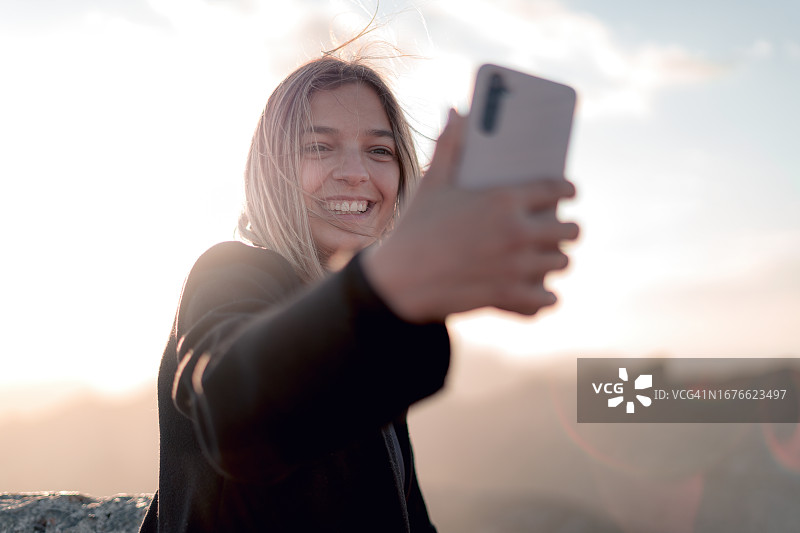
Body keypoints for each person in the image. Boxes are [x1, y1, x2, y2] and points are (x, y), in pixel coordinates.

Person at [139, 53, 578, 532]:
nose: (355, 172)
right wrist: (399, 277)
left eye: (380, 151)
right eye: (319, 148)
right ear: (270, 171)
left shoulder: (367, 341)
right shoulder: (231, 271)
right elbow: (230, 413)